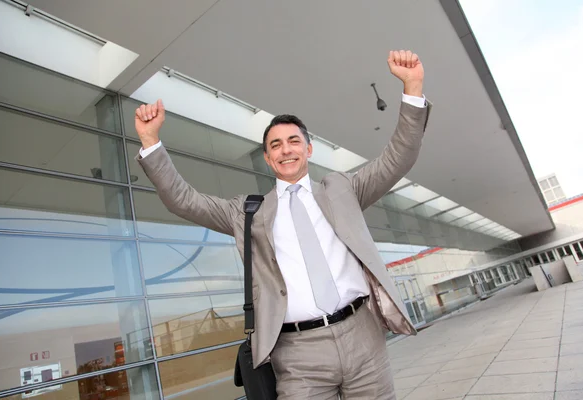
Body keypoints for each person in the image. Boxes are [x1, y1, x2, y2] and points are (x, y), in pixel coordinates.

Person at [135, 49, 431, 399]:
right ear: (267, 157)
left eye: (293, 141)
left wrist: (412, 87)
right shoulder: (247, 213)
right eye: (275, 145)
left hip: (363, 337)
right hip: (296, 354)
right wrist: (151, 142)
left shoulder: (343, 189)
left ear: (309, 149)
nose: (285, 149)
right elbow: (182, 200)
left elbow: (399, 156)